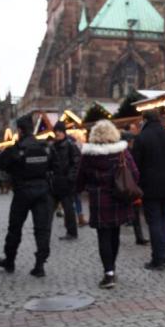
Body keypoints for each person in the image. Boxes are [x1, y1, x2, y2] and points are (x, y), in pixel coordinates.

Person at [76, 120, 138, 289]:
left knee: (103, 237)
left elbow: (80, 179)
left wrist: (81, 189)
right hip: (118, 199)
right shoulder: (121, 153)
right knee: (115, 234)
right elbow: (135, 174)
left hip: (98, 201)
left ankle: (108, 273)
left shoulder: (88, 155)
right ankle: (112, 268)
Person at [0, 115, 55, 278]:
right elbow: (55, 165)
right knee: (42, 229)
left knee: (15, 228)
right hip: (42, 191)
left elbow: (0, 163)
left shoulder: (17, 148)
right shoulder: (45, 147)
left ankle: (10, 261)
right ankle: (40, 265)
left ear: (20, 131)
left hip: (22, 192)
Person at [132, 110, 165, 270]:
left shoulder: (141, 138)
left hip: (149, 187)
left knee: (154, 222)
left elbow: (135, 166)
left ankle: (158, 259)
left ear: (145, 120)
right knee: (164, 221)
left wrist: (136, 187)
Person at [50, 121, 80, 240]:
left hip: (66, 183)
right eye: (56, 132)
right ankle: (43, 230)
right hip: (55, 182)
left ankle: (72, 232)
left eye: (59, 132)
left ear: (63, 132)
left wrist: (70, 178)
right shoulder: (53, 146)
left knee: (68, 208)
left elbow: (77, 163)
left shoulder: (70, 145)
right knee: (49, 208)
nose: (57, 134)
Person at [127, 122, 148, 245]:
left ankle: (139, 236)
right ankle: (139, 237)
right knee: (135, 211)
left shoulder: (130, 151)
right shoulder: (129, 152)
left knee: (135, 211)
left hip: (132, 185)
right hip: (132, 185)